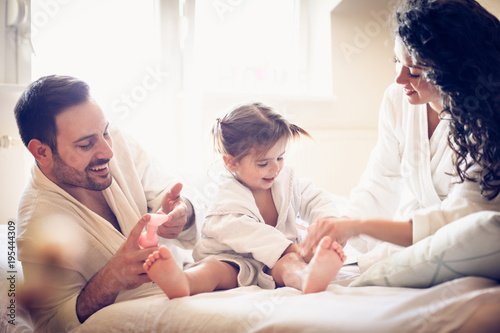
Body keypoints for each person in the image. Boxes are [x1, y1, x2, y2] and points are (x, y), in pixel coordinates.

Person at [300, 0, 500, 260]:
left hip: (462, 237)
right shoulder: (397, 99)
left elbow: (462, 215)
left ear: (455, 73)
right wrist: (343, 227)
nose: (399, 78)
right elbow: (381, 178)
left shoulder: (487, 122)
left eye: (415, 71)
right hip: (414, 228)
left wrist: (357, 226)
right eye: (397, 61)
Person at [14, 75, 200, 332]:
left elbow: (172, 193)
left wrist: (182, 213)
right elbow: (49, 325)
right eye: (86, 144)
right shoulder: (37, 222)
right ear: (42, 152)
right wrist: (108, 281)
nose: (108, 152)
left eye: (104, 133)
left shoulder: (117, 142)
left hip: (191, 283)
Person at [143, 102, 346, 298]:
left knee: (290, 264)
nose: (275, 168)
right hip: (233, 259)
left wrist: (328, 222)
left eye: (280, 157)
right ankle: (184, 281)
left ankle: (306, 278)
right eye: (263, 163)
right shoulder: (225, 194)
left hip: (275, 262)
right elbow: (248, 232)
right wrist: (292, 249)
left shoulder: (287, 180)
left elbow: (315, 197)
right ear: (232, 162)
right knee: (213, 270)